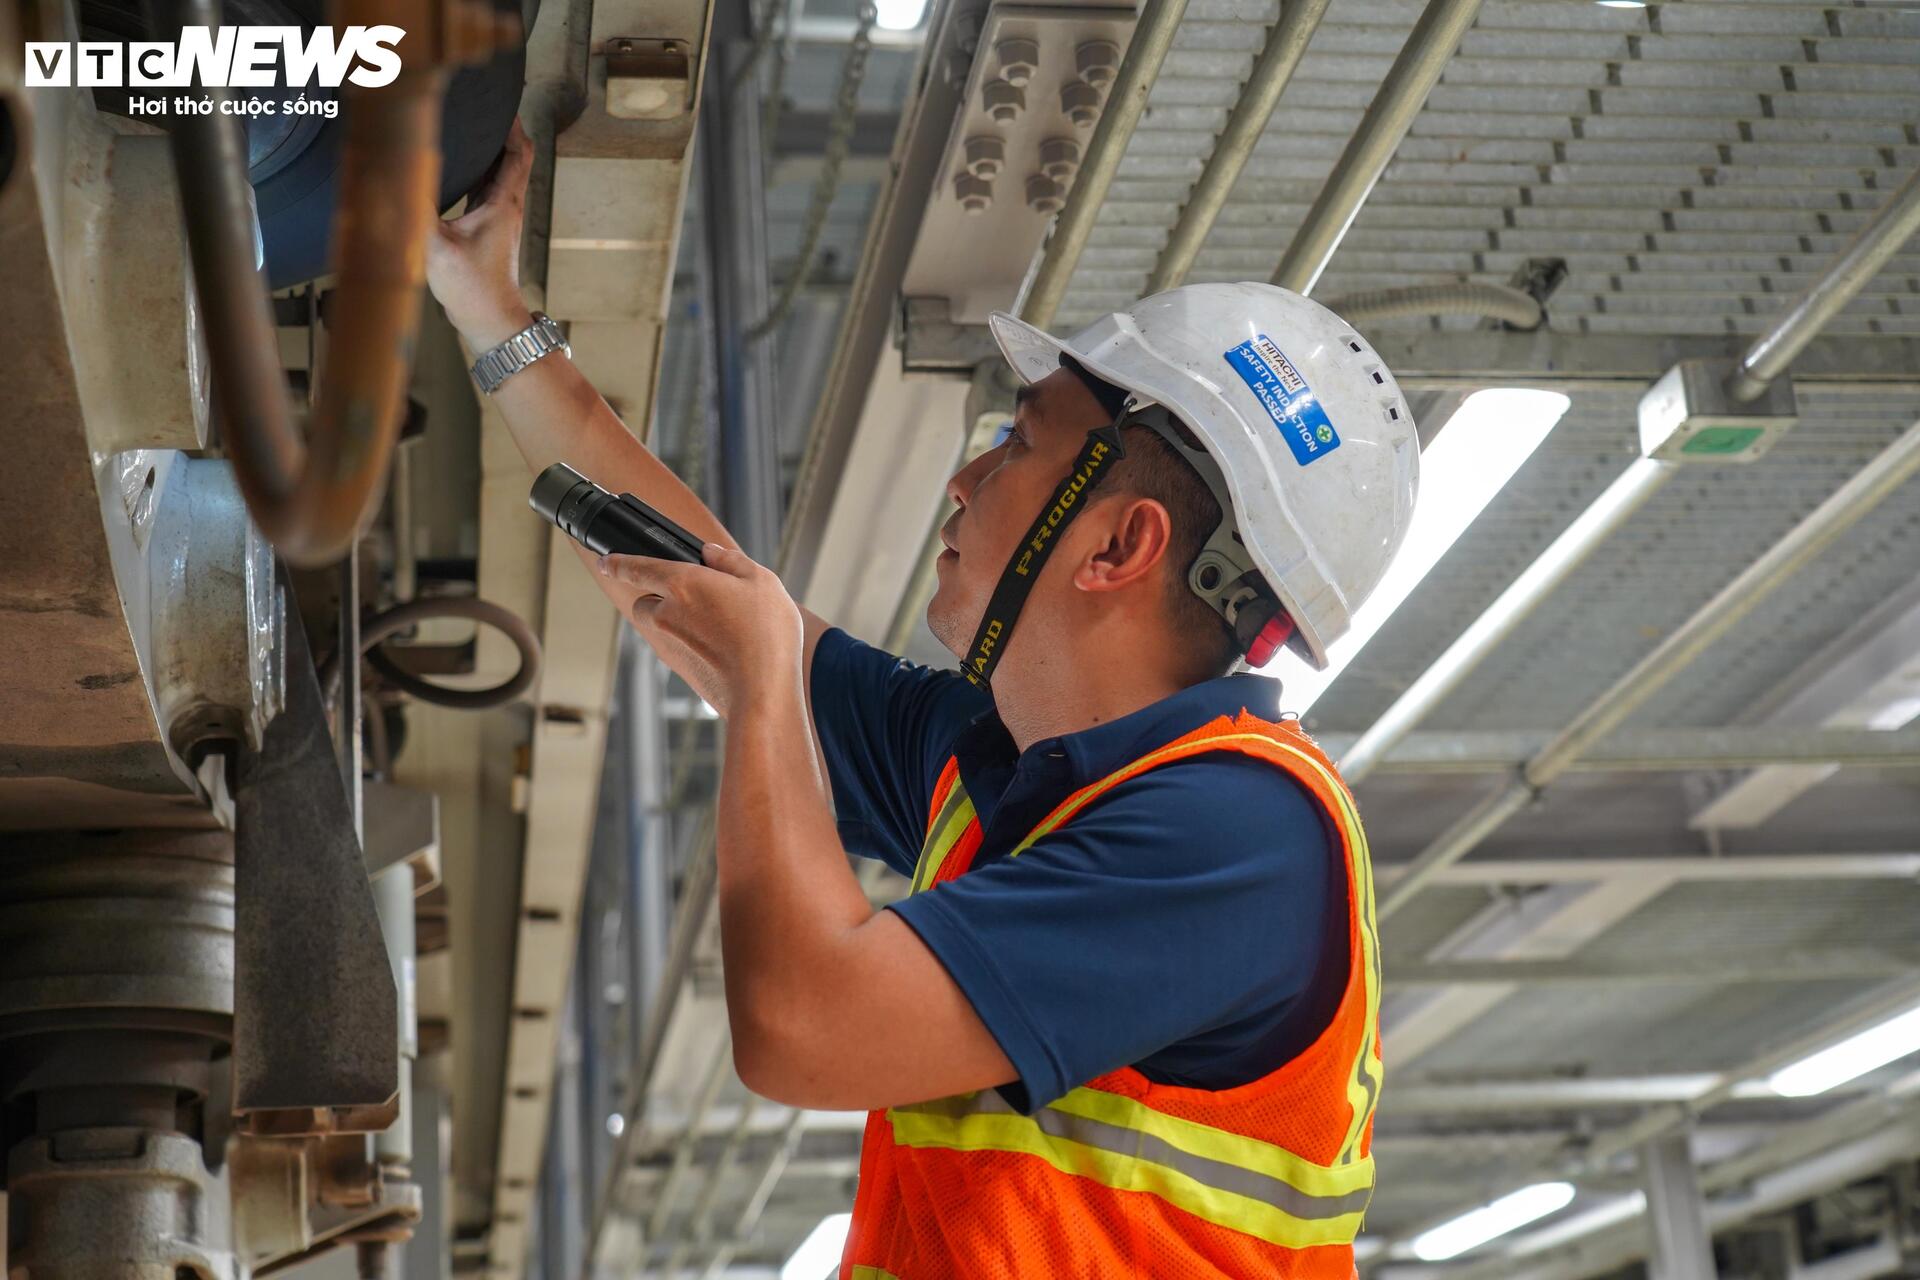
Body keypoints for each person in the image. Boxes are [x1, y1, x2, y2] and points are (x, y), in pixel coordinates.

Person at [428, 119, 1419, 1279]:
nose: (965, 477)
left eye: (1017, 440)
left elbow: (803, 1026)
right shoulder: (1006, 769)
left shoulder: (1243, 837)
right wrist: (487, 306)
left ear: (1119, 542)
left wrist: (762, 682)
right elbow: (710, 591)